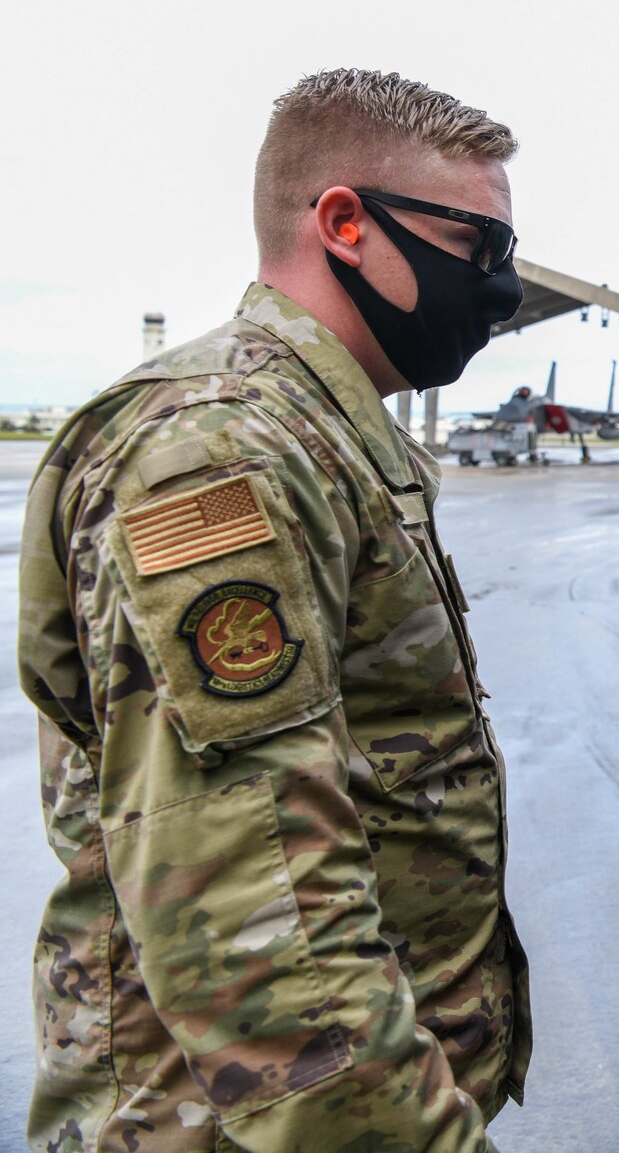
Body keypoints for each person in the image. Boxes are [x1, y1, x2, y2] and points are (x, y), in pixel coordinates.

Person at [17, 69, 531, 1151]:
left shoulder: (330, 434)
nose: (502, 288)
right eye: (479, 248)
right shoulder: (221, 449)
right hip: (244, 1120)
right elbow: (253, 918)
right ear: (344, 221)